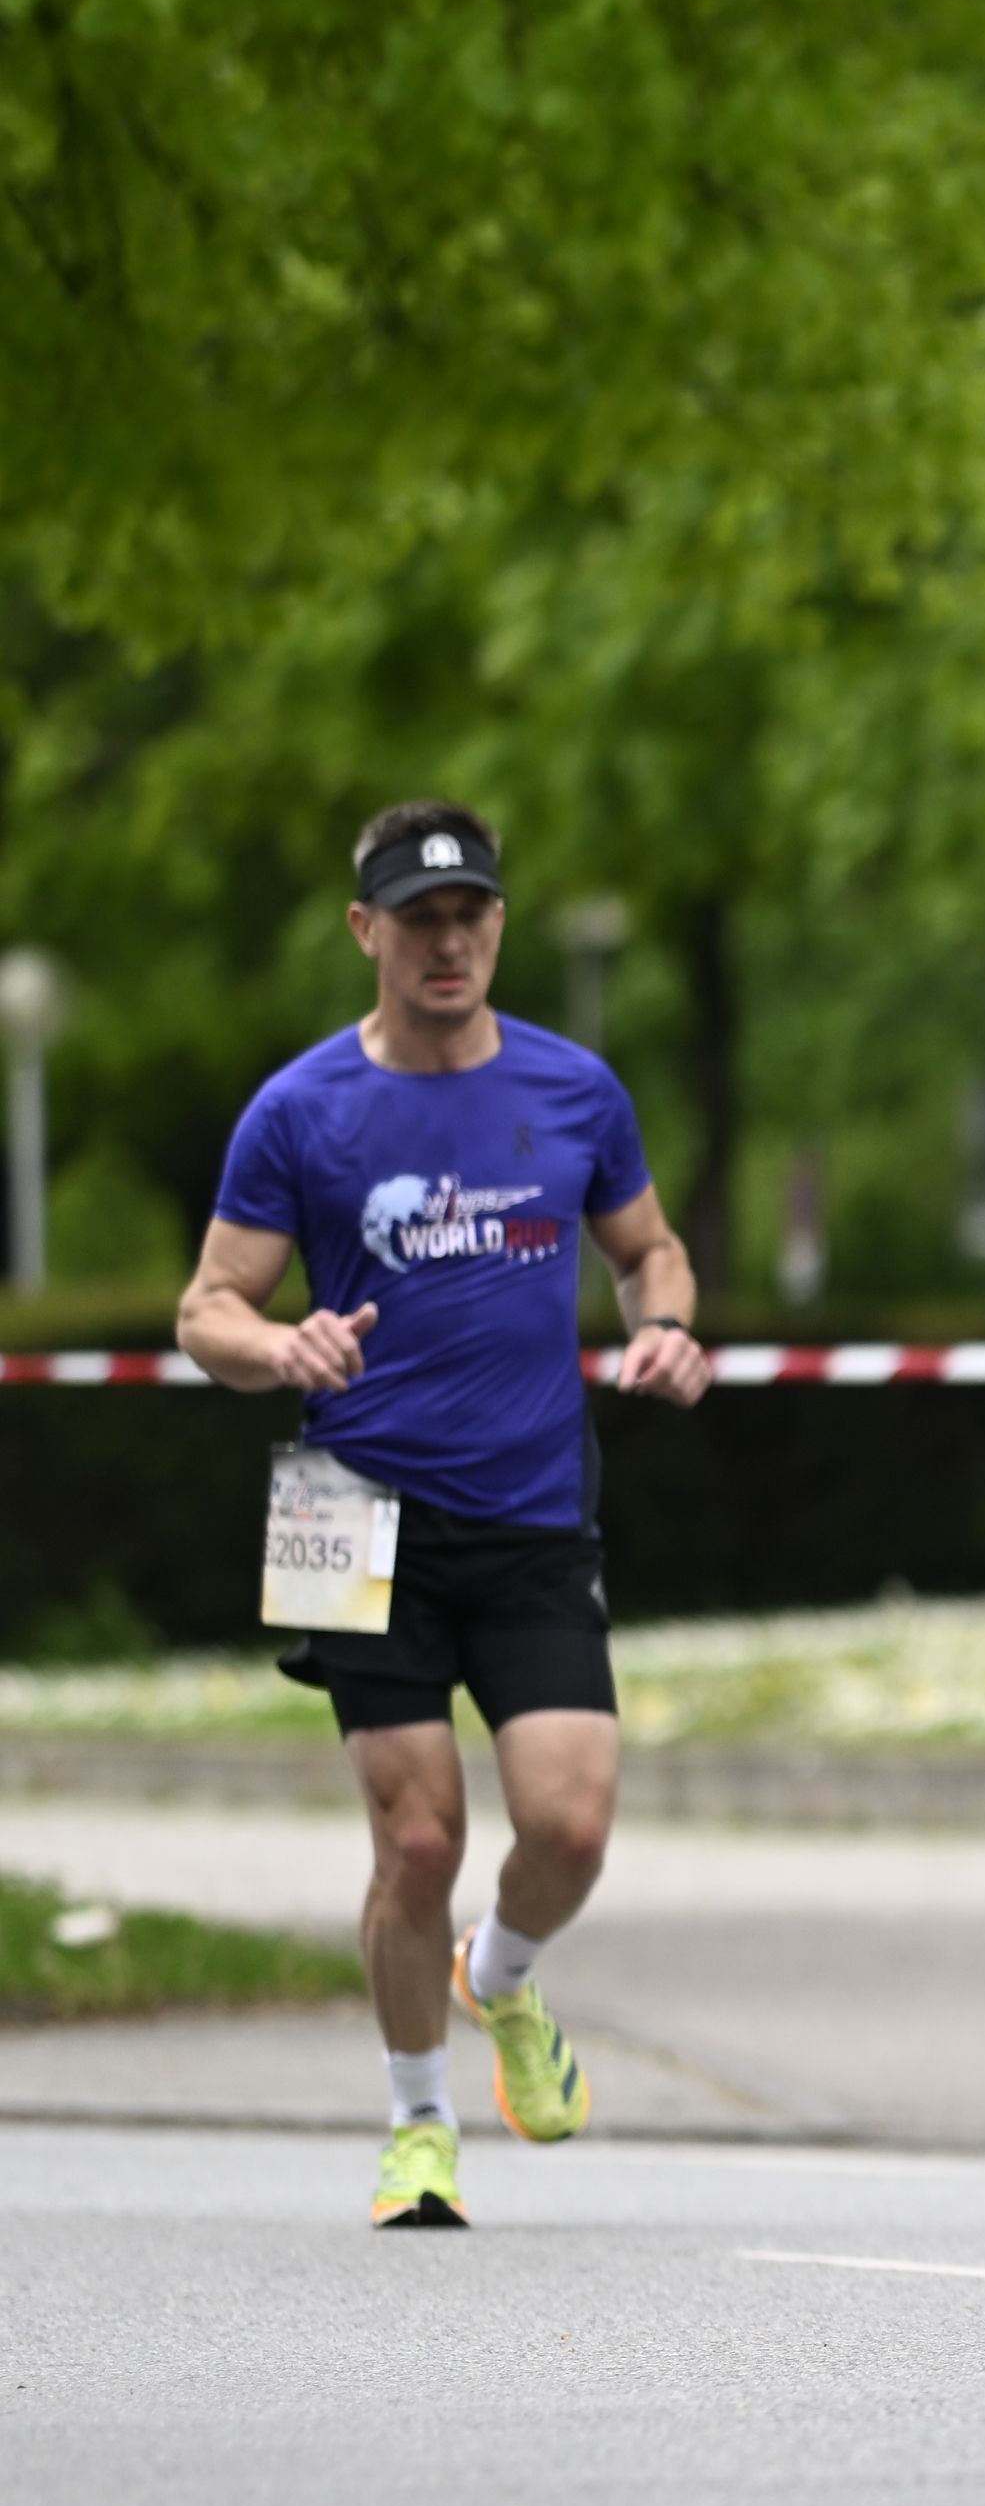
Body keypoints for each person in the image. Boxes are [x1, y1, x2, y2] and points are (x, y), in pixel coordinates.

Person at [176, 802, 713, 2230]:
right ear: (367, 931)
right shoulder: (299, 1111)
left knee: (573, 1827)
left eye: (471, 914)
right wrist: (276, 1346)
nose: (449, 942)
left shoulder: (575, 1089)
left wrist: (665, 1327)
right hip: (344, 1505)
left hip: (531, 1504)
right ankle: (419, 2128)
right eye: (419, 920)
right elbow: (206, 1309)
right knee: (416, 1844)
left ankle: (504, 1975)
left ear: (500, 924)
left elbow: (651, 1251)